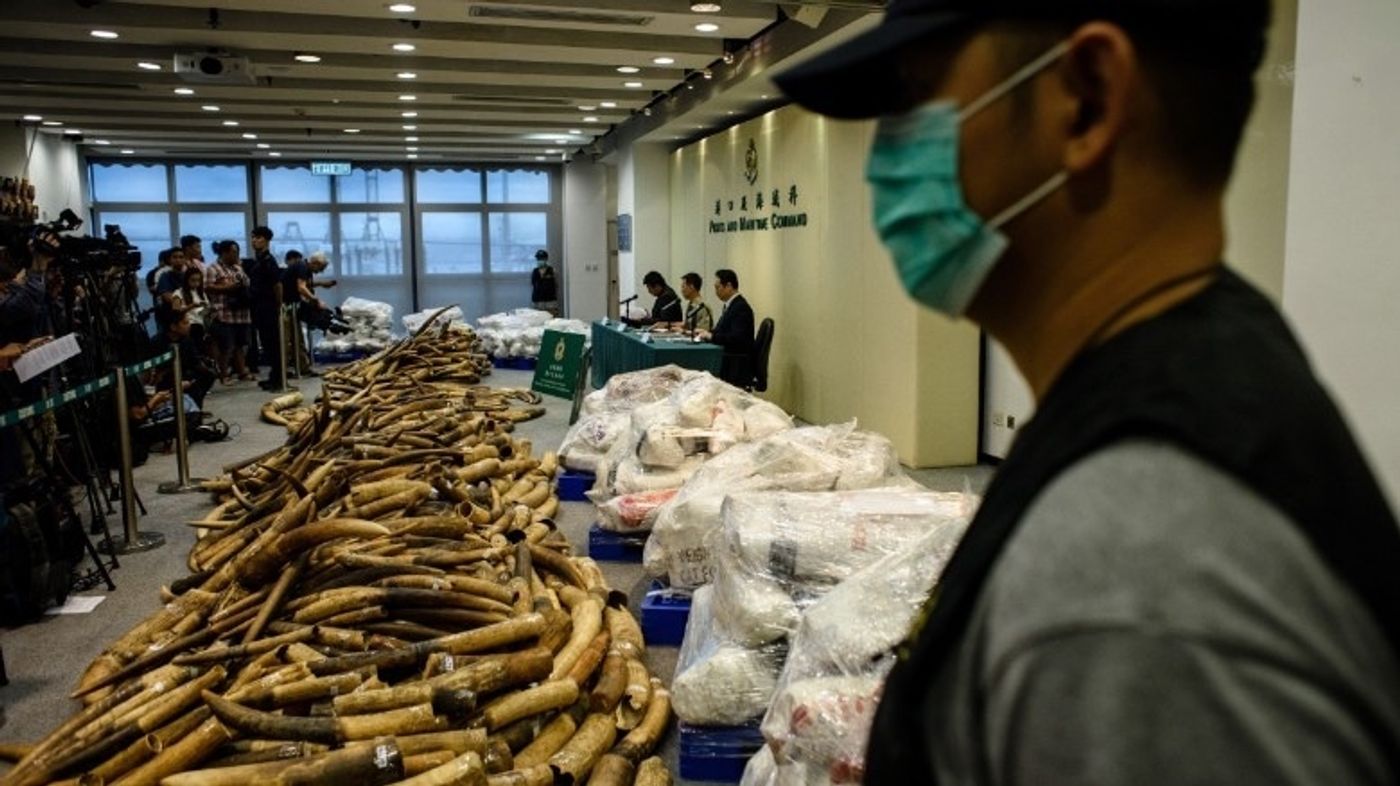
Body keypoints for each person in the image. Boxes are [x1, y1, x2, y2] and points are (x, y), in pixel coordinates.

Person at [775, 1, 1400, 784]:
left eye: (914, 99)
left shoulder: (1134, 575)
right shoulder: (1198, 371)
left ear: (1089, 100)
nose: (882, 161)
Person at [204, 240, 253, 383]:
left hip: (241, 313)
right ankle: (224, 375)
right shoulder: (213, 268)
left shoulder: (238, 268)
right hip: (223, 313)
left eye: (237, 252)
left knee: (240, 345)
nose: (236, 255)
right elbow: (207, 288)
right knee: (227, 346)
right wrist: (228, 288)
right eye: (233, 252)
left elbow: (247, 284)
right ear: (224, 253)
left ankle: (242, 372)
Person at [698, 269, 754, 388]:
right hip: (730, 359)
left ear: (729, 286)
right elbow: (722, 330)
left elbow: (737, 339)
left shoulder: (740, 308)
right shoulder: (732, 305)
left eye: (717, 287)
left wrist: (712, 336)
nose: (715, 292)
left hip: (735, 363)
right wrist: (707, 333)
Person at [245, 226, 284, 391]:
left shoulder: (269, 260)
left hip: (268, 306)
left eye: (258, 237)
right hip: (258, 306)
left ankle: (278, 378)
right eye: (253, 237)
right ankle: (273, 376)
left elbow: (277, 284)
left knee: (273, 344)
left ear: (267, 240)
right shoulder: (259, 260)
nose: (255, 240)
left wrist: (278, 305)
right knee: (267, 344)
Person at [152, 311, 215, 409]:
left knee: (208, 376)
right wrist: (177, 383)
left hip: (185, 373)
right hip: (165, 378)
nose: (188, 325)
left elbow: (195, 362)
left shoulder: (187, 340)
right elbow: (157, 372)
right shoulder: (158, 342)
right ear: (173, 327)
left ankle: (195, 409)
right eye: (185, 323)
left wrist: (206, 371)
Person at [530, 249, 559, 314]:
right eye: (538, 259)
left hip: (550, 300)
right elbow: (533, 284)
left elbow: (556, 285)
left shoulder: (552, 270)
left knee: (552, 319)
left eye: (542, 258)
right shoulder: (535, 271)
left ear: (546, 259)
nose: (540, 260)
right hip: (538, 300)